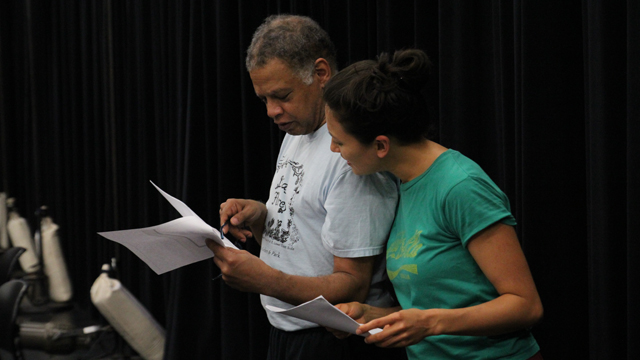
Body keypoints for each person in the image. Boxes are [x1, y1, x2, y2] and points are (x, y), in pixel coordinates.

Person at [322, 48, 544, 360]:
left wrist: (430, 323)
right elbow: (442, 302)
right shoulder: (402, 183)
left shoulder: (461, 186)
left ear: (380, 145)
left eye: (340, 141)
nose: (333, 149)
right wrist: (373, 315)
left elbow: (526, 305)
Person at [206, 15, 406, 360]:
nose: (271, 111)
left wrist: (265, 281)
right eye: (263, 99)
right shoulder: (298, 129)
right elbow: (305, 224)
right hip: (288, 333)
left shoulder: (350, 154)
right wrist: (259, 214)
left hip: (334, 341)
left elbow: (352, 284)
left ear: (321, 74)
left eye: (281, 96)